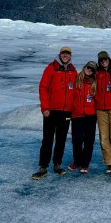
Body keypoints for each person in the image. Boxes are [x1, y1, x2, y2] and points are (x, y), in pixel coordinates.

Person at [32, 46, 77, 180]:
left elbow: (76, 91)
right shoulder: (51, 68)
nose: (65, 56)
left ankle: (57, 164)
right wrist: (45, 108)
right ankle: (43, 166)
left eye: (68, 54)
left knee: (61, 139)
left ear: (70, 56)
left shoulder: (73, 71)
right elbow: (43, 88)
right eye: (63, 53)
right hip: (51, 111)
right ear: (59, 54)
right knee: (47, 139)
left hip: (66, 111)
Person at [68, 61, 98, 174]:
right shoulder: (76, 80)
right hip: (77, 114)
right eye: (88, 67)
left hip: (90, 115)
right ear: (84, 67)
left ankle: (85, 164)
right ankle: (77, 161)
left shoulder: (95, 83)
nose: (89, 70)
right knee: (77, 140)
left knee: (89, 140)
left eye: (92, 69)